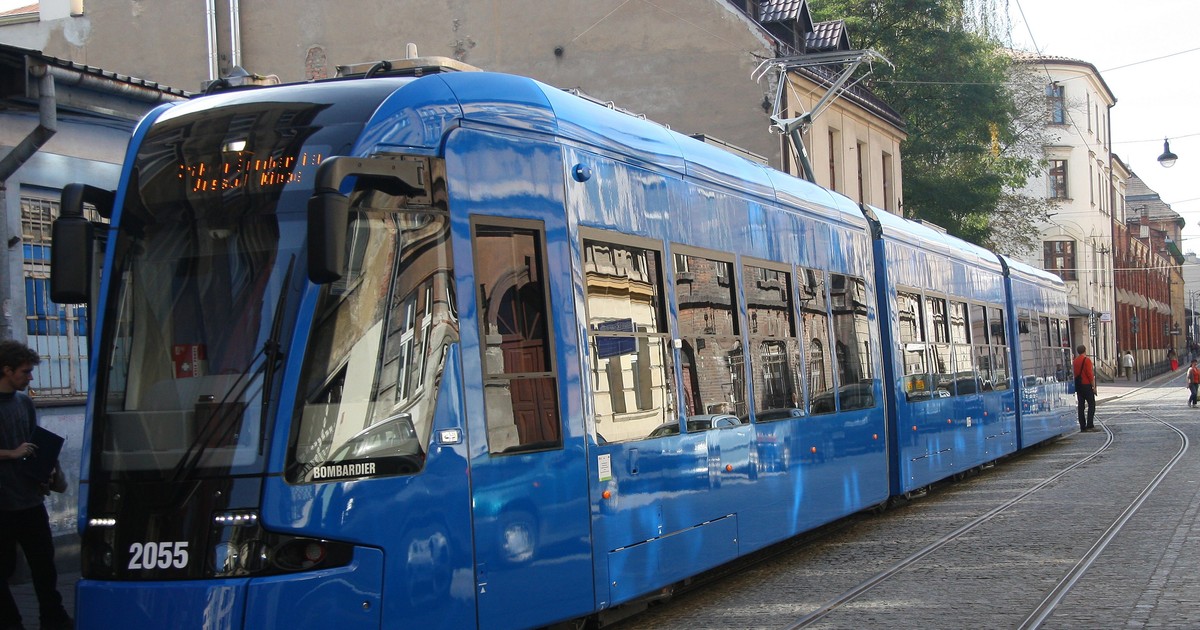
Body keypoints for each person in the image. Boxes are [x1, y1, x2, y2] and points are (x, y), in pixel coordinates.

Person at [0, 341, 73, 630]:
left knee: (45, 566)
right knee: (4, 570)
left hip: (30, 499)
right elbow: (19, 449)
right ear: (7, 370)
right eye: (25, 372)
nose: (30, 377)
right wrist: (11, 453)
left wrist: (49, 468)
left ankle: (53, 618)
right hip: (2, 505)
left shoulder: (24, 402)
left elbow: (34, 441)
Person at [1073, 344, 1096, 432]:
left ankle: (1082, 426)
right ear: (1085, 351)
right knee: (1091, 404)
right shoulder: (1087, 360)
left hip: (1078, 385)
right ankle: (1090, 424)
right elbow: (1090, 374)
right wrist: (1093, 386)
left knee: (1081, 406)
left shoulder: (1075, 361)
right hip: (1086, 384)